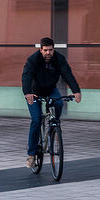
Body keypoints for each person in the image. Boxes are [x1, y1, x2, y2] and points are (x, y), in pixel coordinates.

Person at [22, 37, 82, 169]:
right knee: (36, 119)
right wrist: (27, 93)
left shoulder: (59, 59)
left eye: (50, 50)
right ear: (40, 50)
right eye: (45, 50)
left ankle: (54, 125)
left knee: (59, 103)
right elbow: (26, 75)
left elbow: (67, 74)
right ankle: (31, 155)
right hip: (34, 92)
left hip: (50, 89)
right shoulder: (33, 59)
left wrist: (76, 91)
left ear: (53, 49)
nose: (48, 53)